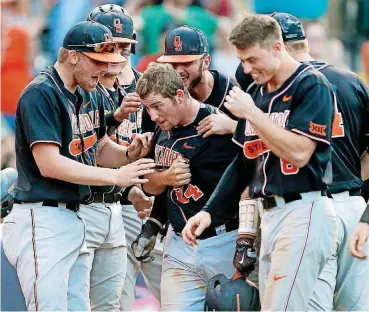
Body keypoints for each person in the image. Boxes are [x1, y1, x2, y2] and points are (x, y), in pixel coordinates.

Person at [182, 13, 337, 311]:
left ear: (277, 47)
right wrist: (210, 212)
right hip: (270, 214)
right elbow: (243, 162)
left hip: (304, 210)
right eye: (242, 60)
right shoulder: (256, 93)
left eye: (253, 59)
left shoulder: (310, 85)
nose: (246, 68)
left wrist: (252, 114)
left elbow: (300, 153)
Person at [1, 21, 155, 311]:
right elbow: (49, 164)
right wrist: (116, 177)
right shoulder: (42, 92)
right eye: (98, 61)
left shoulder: (91, 91)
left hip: (76, 217)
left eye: (110, 61)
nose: (106, 69)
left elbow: (96, 148)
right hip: (42, 217)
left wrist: (128, 155)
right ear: (73, 56)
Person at [270, 12, 369, 311]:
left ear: (277, 47)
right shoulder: (352, 82)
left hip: (305, 209)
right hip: (352, 205)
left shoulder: (278, 92)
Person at [135, 62, 240, 310]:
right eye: (147, 108)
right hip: (179, 244)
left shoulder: (216, 125)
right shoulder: (162, 129)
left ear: (180, 96)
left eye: (158, 106)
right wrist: (154, 220)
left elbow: (245, 182)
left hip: (224, 240)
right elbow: (150, 185)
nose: (153, 116)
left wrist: (247, 236)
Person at [132, 25, 237, 264]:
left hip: (225, 226)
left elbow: (259, 151)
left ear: (206, 61)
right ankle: (155, 221)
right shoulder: (157, 105)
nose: (179, 70)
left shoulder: (231, 94)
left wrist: (233, 126)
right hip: (178, 220)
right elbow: (151, 163)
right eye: (172, 63)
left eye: (187, 62)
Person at [87, 4, 163, 310]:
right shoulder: (84, 89)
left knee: (179, 289)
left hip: (147, 206)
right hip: (104, 203)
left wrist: (151, 189)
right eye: (111, 46)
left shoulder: (147, 84)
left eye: (124, 45)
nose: (119, 53)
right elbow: (88, 151)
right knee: (115, 301)